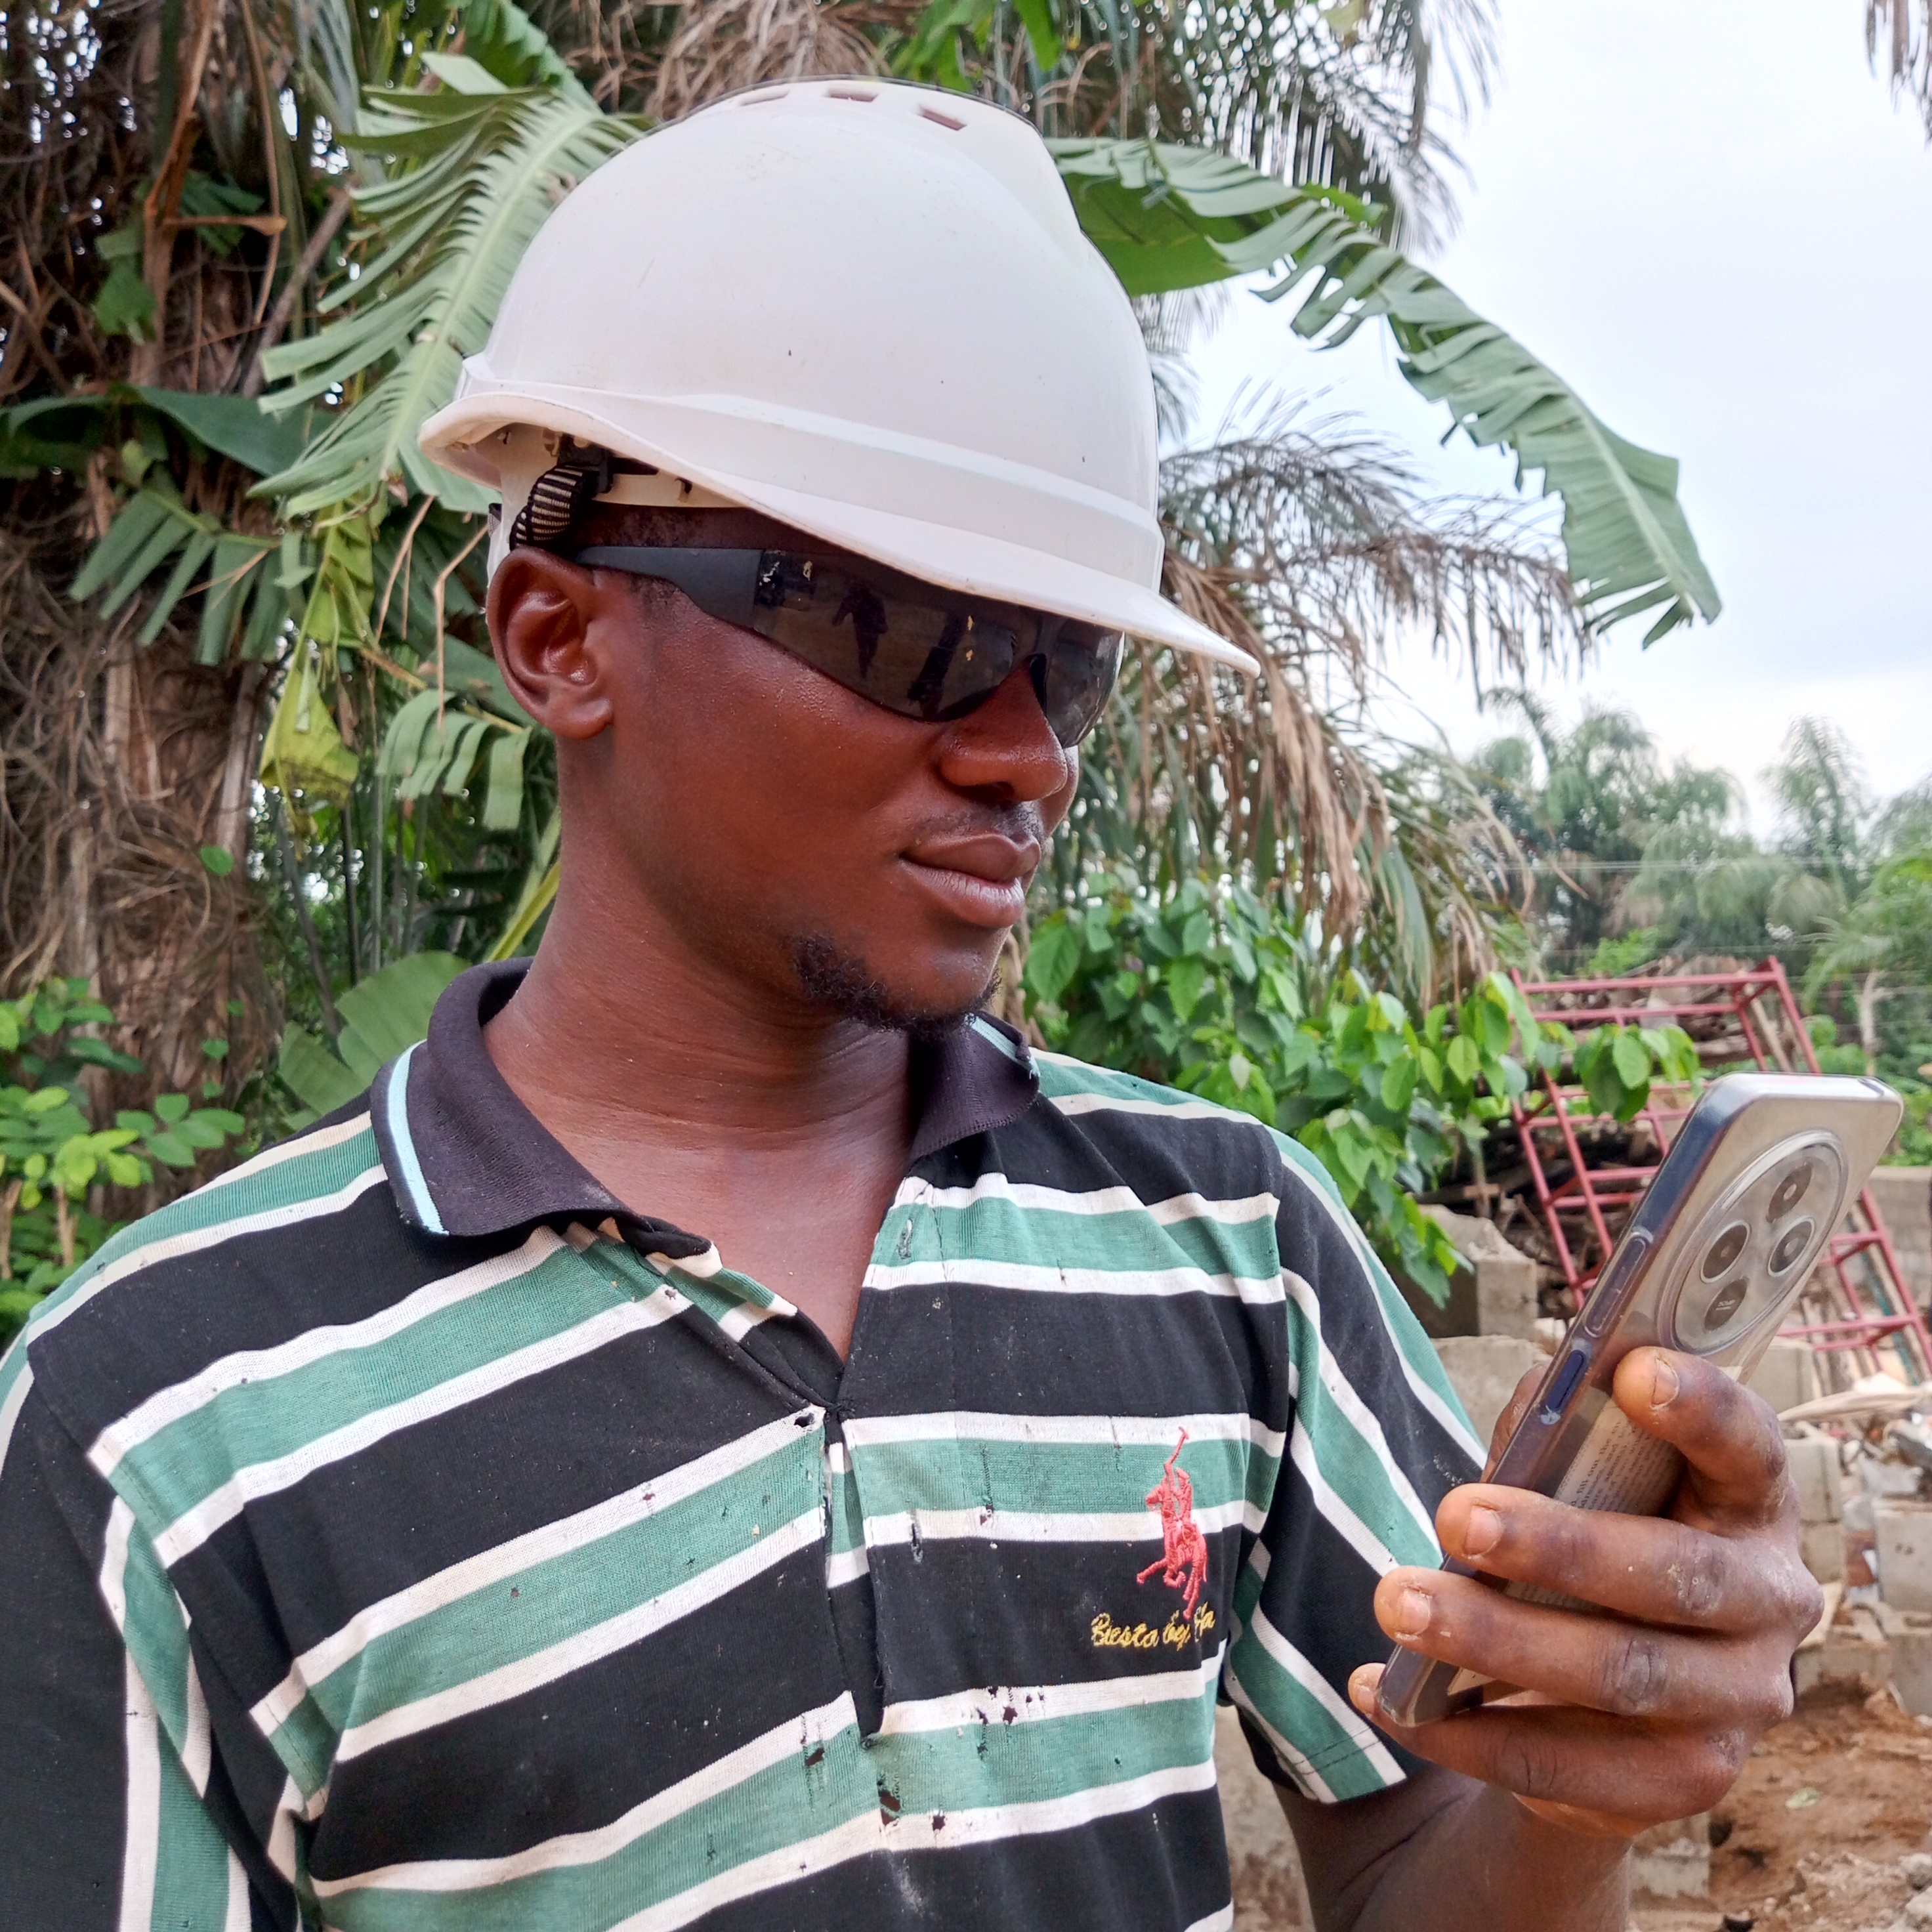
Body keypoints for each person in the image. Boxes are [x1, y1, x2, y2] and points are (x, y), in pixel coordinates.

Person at [0, 79, 1816, 1932]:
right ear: (559, 637)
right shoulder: (163, 1425)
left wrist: (1577, 1783)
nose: (1028, 754)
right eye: (903, 630)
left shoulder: (1225, 1245)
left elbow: (1420, 1865)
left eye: (1068, 663)